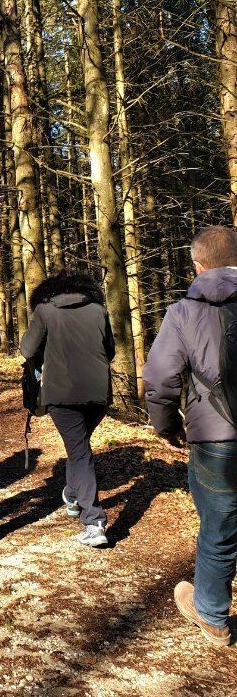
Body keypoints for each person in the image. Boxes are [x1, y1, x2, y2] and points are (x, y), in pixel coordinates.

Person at [143, 225, 237, 647]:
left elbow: (160, 377)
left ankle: (213, 615)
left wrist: (167, 427)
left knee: (219, 524)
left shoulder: (184, 311)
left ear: (198, 266)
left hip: (216, 437)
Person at [20, 271, 115, 549]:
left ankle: (94, 520)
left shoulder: (45, 311)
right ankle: (73, 495)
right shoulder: (98, 311)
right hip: (98, 392)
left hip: (61, 393)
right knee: (79, 447)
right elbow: (109, 351)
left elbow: (27, 350)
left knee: (80, 451)